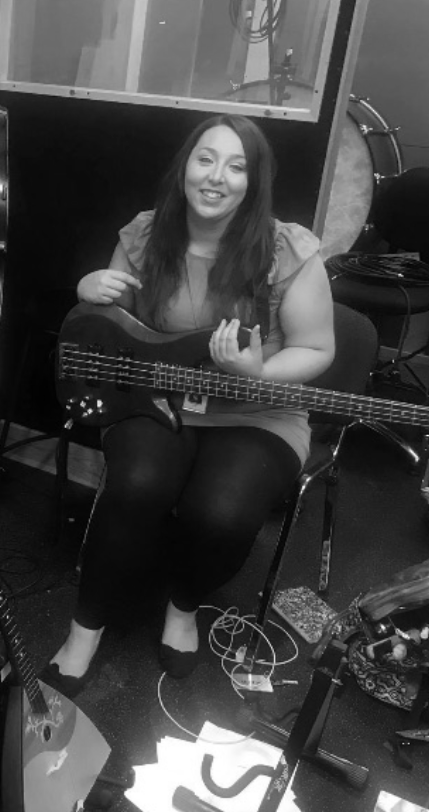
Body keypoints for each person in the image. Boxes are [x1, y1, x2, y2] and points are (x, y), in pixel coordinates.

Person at [42, 114, 334, 692]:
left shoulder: (286, 249)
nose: (216, 177)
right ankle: (85, 628)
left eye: (236, 166)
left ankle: (183, 604)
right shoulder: (145, 235)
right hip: (157, 394)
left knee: (221, 513)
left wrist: (258, 372)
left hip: (257, 406)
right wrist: (87, 293)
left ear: (254, 182)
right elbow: (108, 333)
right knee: (137, 485)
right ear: (185, 168)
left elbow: (317, 348)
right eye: (206, 159)